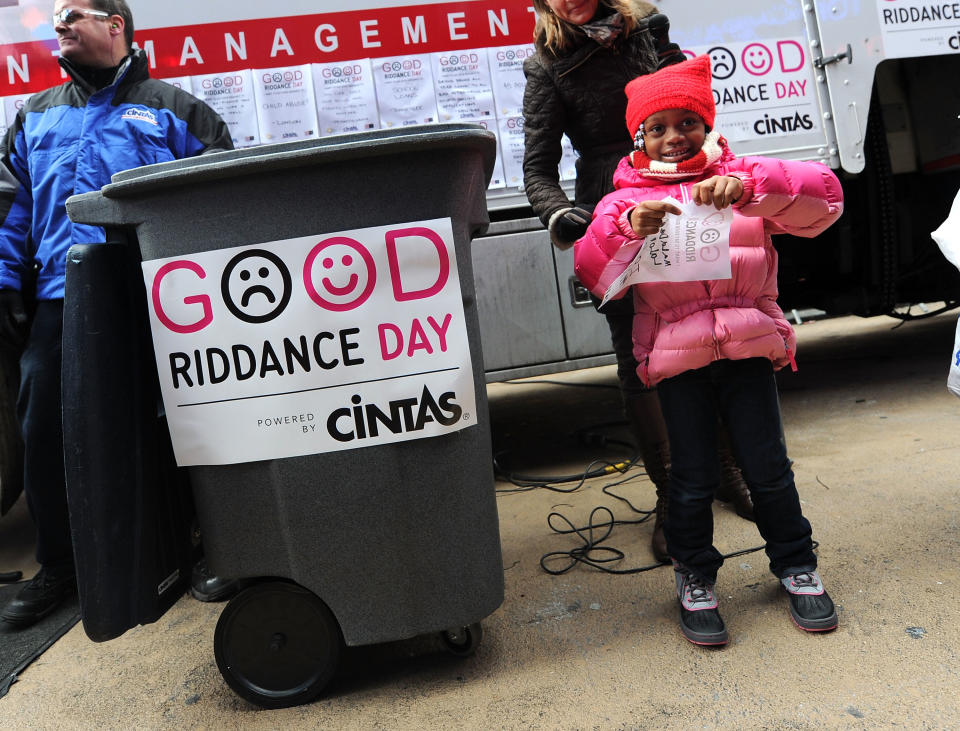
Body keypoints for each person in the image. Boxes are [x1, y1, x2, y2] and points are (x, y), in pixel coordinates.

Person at [573, 55, 842, 646]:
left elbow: (825, 201)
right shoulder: (623, 201)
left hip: (747, 347)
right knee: (690, 477)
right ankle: (694, 576)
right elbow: (592, 271)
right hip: (677, 360)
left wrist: (754, 191)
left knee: (769, 469)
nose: (675, 138)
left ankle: (796, 565)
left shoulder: (741, 175)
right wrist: (625, 231)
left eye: (688, 123)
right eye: (659, 127)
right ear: (639, 136)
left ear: (708, 124)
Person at [0, 0, 235, 626]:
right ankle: (62, 565)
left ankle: (215, 544)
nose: (59, 24)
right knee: (43, 427)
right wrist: (4, 280)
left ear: (115, 25)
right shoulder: (35, 116)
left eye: (74, 12)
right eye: (54, 16)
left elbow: (219, 197)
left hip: (162, 295)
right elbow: (12, 206)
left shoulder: (177, 110)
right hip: (62, 301)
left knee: (190, 420)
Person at [522, 0, 754, 565]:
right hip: (616, 212)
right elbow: (537, 166)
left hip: (685, 197)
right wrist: (562, 215)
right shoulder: (548, 62)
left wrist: (721, 164)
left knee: (709, 335)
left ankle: (724, 470)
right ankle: (673, 496)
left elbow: (696, 110)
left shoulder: (647, 27)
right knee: (640, 357)